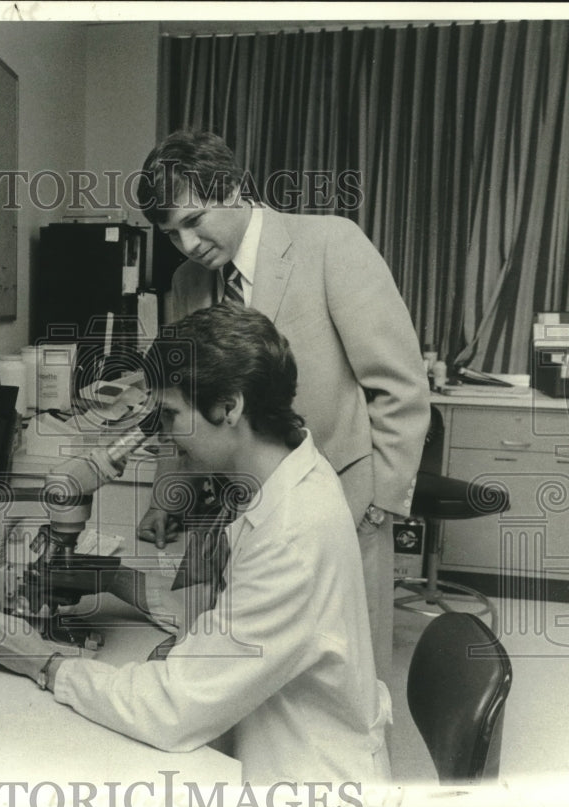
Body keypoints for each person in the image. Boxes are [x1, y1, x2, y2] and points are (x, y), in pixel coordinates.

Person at [0, 304, 392, 785]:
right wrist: (111, 578)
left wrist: (40, 660)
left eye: (170, 415)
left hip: (305, 779)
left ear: (229, 407)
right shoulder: (291, 476)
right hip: (270, 741)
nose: (163, 436)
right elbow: (227, 614)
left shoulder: (293, 534)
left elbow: (175, 707)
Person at [133, 131, 431, 684]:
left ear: (235, 186)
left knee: (342, 677)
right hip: (236, 509)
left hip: (341, 501)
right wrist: (167, 493)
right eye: (171, 233)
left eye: (195, 220)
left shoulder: (330, 244)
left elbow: (400, 387)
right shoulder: (185, 282)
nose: (188, 244)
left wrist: (377, 505)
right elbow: (186, 398)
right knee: (243, 682)